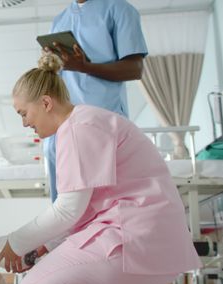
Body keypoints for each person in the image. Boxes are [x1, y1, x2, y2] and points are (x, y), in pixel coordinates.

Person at [0, 53, 210, 284]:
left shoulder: (80, 128)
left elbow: (69, 209)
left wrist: (15, 242)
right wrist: (46, 245)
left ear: (45, 102)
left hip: (133, 240)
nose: (24, 123)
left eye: (24, 113)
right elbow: (86, 209)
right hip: (136, 238)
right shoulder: (84, 122)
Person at [44, 0, 148, 201]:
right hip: (66, 123)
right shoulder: (59, 21)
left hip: (103, 120)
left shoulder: (119, 10)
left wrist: (85, 67)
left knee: (104, 200)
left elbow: (135, 69)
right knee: (66, 203)